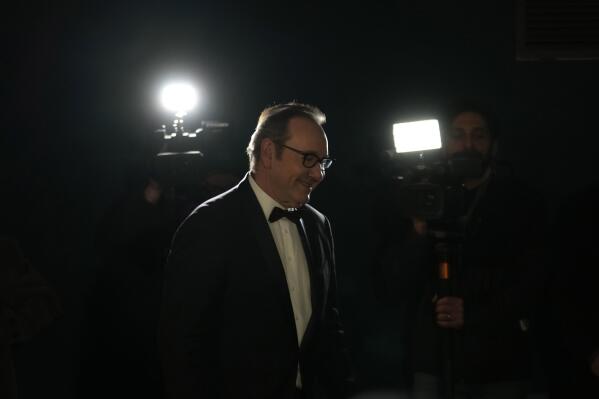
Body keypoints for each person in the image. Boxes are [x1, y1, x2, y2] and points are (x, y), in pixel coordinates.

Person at [160, 102, 353, 399]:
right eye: (309, 159)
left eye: (323, 162)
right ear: (267, 153)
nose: (318, 175)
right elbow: (182, 346)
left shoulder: (318, 224)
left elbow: (329, 324)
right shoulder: (209, 224)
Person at [373, 101, 546, 398]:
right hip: (432, 358)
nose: (467, 144)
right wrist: (418, 229)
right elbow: (392, 281)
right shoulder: (416, 197)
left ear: (494, 145)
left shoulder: (521, 201)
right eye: (457, 135)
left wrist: (474, 315)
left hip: (501, 360)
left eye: (478, 136)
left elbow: (534, 281)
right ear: (444, 143)